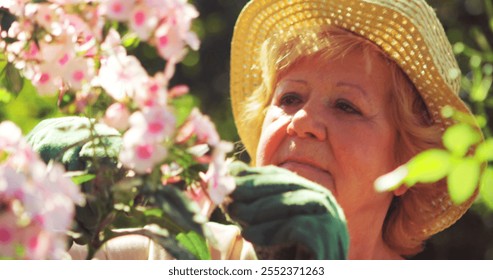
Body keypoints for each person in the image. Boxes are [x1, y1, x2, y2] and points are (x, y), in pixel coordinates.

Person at [27, 0, 480, 260]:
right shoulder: (154, 255)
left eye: (346, 105)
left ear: (409, 165)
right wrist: (31, 208)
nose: (301, 121)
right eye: (288, 98)